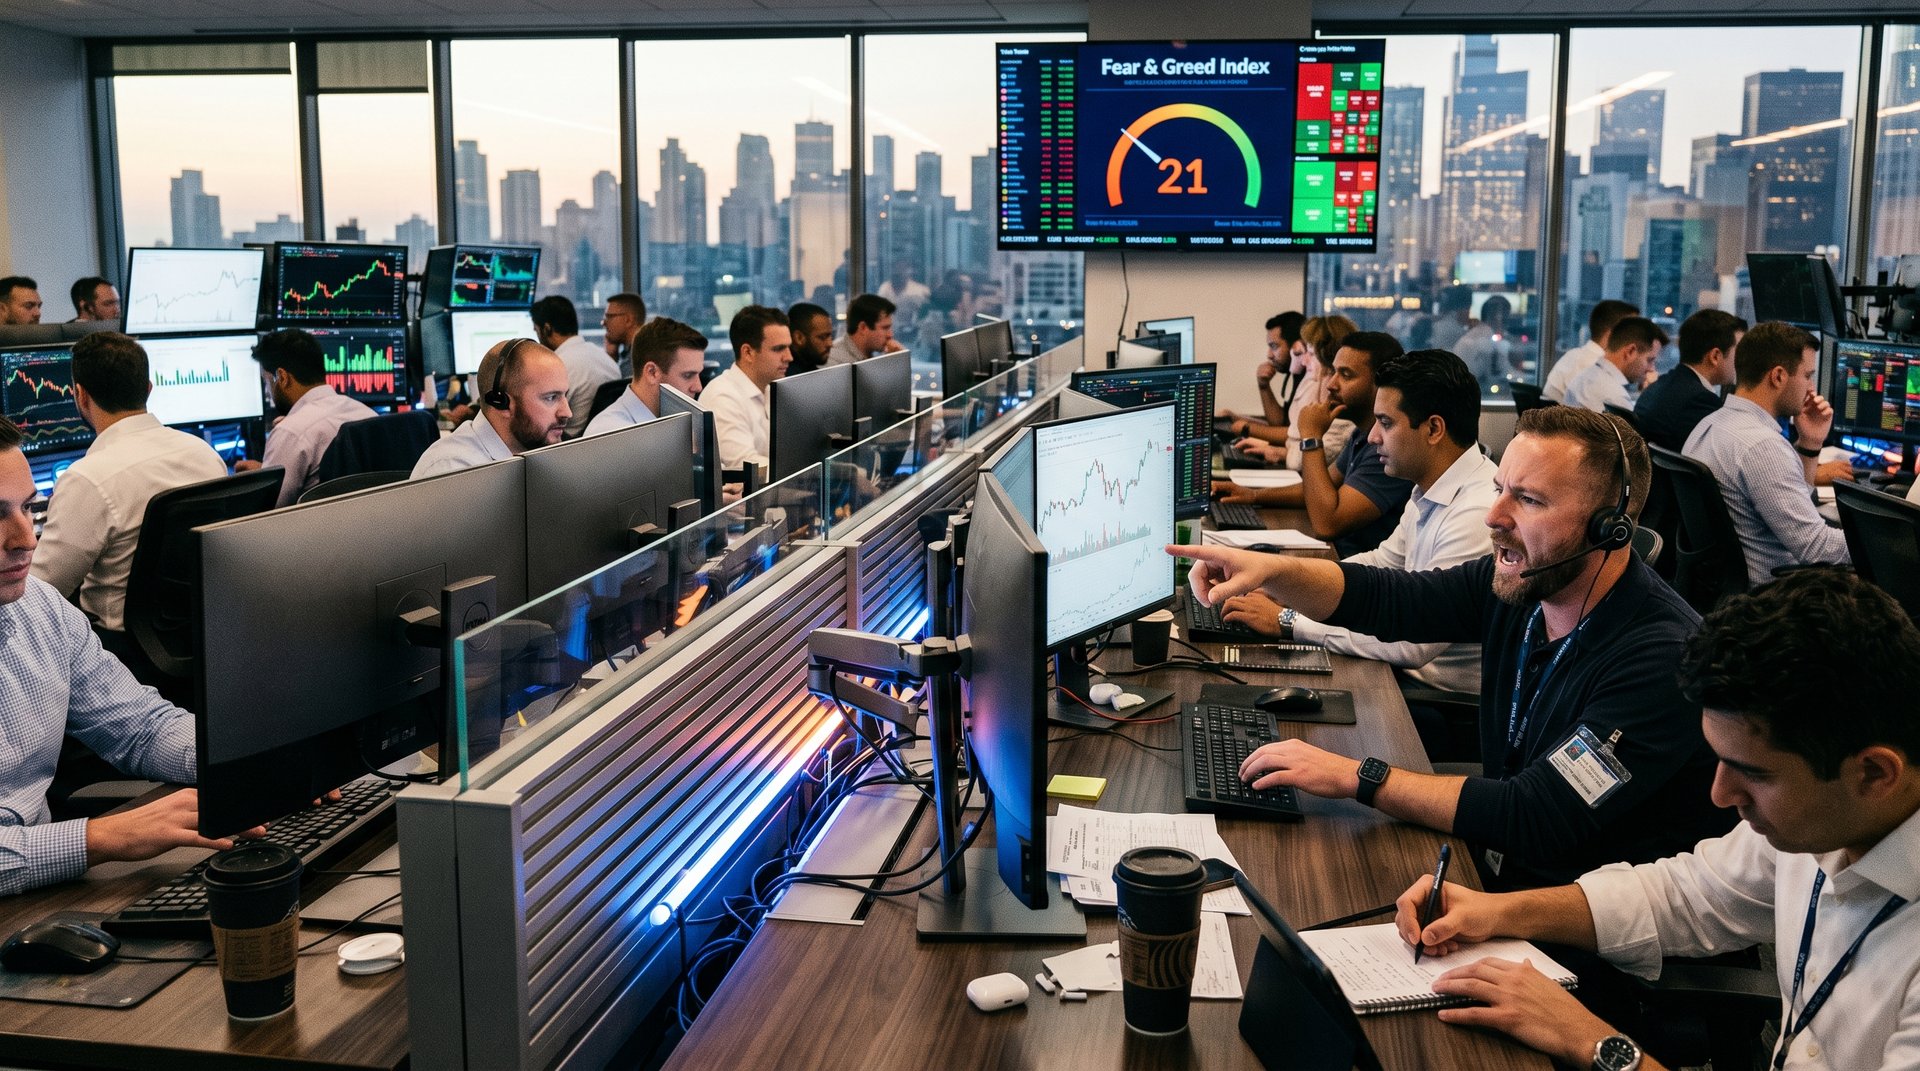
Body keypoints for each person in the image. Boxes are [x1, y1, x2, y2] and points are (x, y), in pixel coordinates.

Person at [1177, 407, 1729, 891]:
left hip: (1578, 930)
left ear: (1610, 528)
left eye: (1529, 500)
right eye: (1500, 490)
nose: (1495, 517)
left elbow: (1536, 813)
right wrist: (1272, 571)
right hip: (1497, 875)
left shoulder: (1660, 658)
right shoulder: (1523, 582)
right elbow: (1392, 599)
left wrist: (1357, 777)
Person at [1390, 569, 1920, 1071]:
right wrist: (1497, 910)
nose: (1720, 795)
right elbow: (1688, 894)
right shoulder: (1824, 821)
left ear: (1874, 774)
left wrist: (1593, 1041)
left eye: (1752, 774)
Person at [0, 415, 262, 897]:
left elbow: (140, 726)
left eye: (29, 509)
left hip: (43, 896)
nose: (25, 539)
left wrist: (250, 764)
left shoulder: (40, 608)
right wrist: (101, 837)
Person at [1216, 349, 1498, 698]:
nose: (1374, 436)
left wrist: (1288, 621)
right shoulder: (1432, 486)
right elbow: (1382, 563)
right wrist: (1289, 581)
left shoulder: (1478, 514)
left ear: (1434, 428)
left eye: (1387, 423)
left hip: (1434, 700)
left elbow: (1411, 644)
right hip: (1401, 675)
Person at [29, 332, 226, 633]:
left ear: (80, 395)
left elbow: (38, 589)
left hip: (117, 648)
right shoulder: (204, 454)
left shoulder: (88, 479)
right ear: (148, 390)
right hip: (200, 633)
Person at [1215, 331, 1414, 557]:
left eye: (1346, 375)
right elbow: (1318, 488)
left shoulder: (1388, 449)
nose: (1331, 384)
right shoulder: (1361, 433)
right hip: (1343, 560)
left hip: (1357, 567)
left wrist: (1311, 437)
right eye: (1333, 372)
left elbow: (1327, 524)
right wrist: (1253, 496)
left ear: (1379, 386)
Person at [1684, 321, 1850, 586]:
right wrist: (1891, 540)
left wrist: (1810, 444)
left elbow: (1799, 505)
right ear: (1779, 376)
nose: (1811, 388)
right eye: (1808, 375)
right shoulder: (1762, 446)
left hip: (1731, 595)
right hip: (1774, 599)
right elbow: (1817, 548)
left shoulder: (1708, 426)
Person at [234, 328, 376, 506]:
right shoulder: (366, 413)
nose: (268, 391)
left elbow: (268, 511)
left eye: (267, 381)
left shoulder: (292, 432)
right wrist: (266, 471)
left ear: (283, 378)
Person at [411, 337, 570, 478]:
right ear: (502, 403)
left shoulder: (536, 454)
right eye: (551, 398)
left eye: (565, 396)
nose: (567, 412)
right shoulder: (454, 471)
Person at [1229, 314, 1357, 468]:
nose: (1303, 361)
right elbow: (1291, 430)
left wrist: (1248, 429)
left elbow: (1301, 450)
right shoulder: (1307, 377)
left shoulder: (1326, 386)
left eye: (1310, 354)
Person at [1633, 309, 1743, 452]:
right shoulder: (1700, 401)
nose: (1741, 360)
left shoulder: (1662, 384)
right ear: (1715, 356)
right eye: (1738, 352)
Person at [585, 316, 708, 437]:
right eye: (688, 375)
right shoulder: (609, 434)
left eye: (698, 374)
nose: (698, 387)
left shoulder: (675, 424)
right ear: (652, 372)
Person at [705, 306, 792, 471]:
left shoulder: (772, 389)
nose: (789, 357)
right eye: (778, 349)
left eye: (788, 348)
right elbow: (747, 466)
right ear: (748, 352)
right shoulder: (722, 397)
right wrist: (805, 472)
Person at [531, 295, 620, 438]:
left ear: (547, 329)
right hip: (607, 438)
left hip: (568, 444)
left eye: (536, 331)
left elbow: (540, 421)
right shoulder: (607, 359)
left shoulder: (557, 367)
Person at [1218, 311, 1305, 436]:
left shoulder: (1311, 379)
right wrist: (1263, 385)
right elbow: (1280, 424)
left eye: (1274, 346)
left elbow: (1296, 436)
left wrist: (1247, 428)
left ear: (1297, 345)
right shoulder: (1296, 374)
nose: (1269, 355)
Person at [1563, 316, 1667, 414]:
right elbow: (1635, 433)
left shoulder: (1584, 377)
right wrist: (1649, 397)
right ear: (1630, 351)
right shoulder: (1614, 398)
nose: (1652, 369)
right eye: (1650, 360)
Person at [1545, 299, 1640, 403]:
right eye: (1632, 331)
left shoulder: (1574, 355)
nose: (1638, 338)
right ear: (1612, 333)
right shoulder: (1594, 368)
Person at [1453, 294, 1513, 387]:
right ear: (1498, 316)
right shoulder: (1488, 341)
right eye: (1506, 317)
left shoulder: (1477, 335)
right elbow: (1501, 373)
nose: (1506, 323)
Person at [827, 293, 900, 366]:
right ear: (863, 327)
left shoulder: (870, 355)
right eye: (885, 328)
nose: (890, 335)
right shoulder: (834, 361)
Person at [601, 292, 647, 375]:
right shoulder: (630, 353)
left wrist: (611, 360)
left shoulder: (638, 361)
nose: (603, 323)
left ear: (628, 320)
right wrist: (612, 357)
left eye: (609, 317)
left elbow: (616, 384)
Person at [786, 302, 834, 376]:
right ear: (799, 338)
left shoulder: (809, 370)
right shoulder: (785, 377)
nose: (830, 344)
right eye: (822, 337)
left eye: (831, 336)